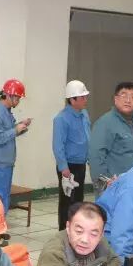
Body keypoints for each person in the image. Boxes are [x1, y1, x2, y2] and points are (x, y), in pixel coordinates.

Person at [35, 202, 121, 266]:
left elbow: (113, 259)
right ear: (68, 227)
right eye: (79, 231)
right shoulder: (54, 251)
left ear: (101, 234)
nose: (85, 240)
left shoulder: (100, 242)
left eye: (93, 234)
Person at [0, 79, 32, 213]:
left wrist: (21, 126)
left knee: (3, 199)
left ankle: (0, 224)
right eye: (17, 98)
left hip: (5, 164)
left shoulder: (5, 111)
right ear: (8, 95)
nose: (18, 101)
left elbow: (7, 133)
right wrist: (15, 130)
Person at [88, 82, 133, 197]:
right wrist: (104, 185)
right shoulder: (105, 123)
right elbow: (95, 157)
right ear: (115, 99)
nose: (128, 100)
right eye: (124, 95)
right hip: (112, 188)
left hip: (131, 187)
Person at [52, 80, 91, 230]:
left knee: (78, 200)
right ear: (72, 99)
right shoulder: (61, 119)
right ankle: (64, 231)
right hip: (69, 167)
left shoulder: (84, 114)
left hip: (81, 164)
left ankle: (75, 229)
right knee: (67, 201)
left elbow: (88, 137)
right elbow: (58, 146)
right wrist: (64, 169)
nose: (85, 100)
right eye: (82, 97)